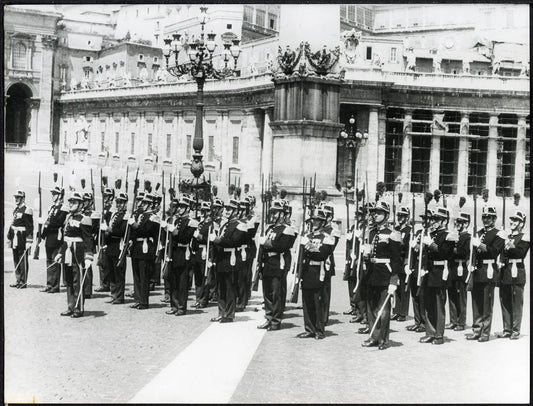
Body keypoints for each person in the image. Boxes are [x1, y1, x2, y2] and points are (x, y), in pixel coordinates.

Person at [360, 201, 401, 350]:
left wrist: (394, 280)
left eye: (379, 212)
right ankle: (374, 337)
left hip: (385, 274)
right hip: (372, 273)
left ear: (386, 215)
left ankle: (384, 339)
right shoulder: (371, 232)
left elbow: (397, 259)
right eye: (374, 212)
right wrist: (366, 253)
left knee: (383, 310)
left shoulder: (393, 234)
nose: (375, 214)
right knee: (371, 308)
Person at [466, 206, 505, 342]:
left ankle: (485, 332)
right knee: (476, 302)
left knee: (486, 303)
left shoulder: (499, 234)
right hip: (477, 270)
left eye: (489, 217)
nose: (486, 220)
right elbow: (472, 252)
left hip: (488, 270)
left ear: (494, 219)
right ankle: (477, 329)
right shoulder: (479, 232)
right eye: (484, 217)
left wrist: (479, 245)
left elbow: (494, 251)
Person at [256, 199, 296, 331]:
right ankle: (269, 317)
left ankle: (276, 320)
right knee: (267, 293)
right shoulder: (270, 228)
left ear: (283, 214)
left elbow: (282, 246)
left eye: (276, 213)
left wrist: (266, 243)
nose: (273, 215)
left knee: (276, 293)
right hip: (267, 262)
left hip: (278, 263)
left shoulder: (287, 229)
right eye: (272, 212)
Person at [54, 192, 94, 317]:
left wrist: (88, 256)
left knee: (77, 280)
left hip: (78, 252)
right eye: (70, 201)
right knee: (69, 280)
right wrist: (61, 253)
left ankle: (78, 308)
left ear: (81, 204)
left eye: (74, 202)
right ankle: (70, 306)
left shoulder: (84, 219)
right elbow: (65, 237)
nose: (71, 204)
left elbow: (88, 239)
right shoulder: (68, 217)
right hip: (67, 251)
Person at [298, 208, 336, 340]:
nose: (314, 222)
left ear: (322, 222)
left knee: (318, 302)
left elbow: (322, 254)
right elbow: (300, 256)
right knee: (307, 301)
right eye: (313, 220)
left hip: (318, 271)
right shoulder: (307, 236)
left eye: (317, 220)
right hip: (307, 271)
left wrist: (308, 246)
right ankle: (309, 328)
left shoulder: (327, 237)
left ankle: (319, 330)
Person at [419, 207, 454, 345]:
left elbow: (444, 253)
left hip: (440, 272)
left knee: (439, 305)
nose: (433, 222)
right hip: (430, 271)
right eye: (433, 219)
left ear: (444, 221)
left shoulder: (449, 235)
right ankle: (430, 332)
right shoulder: (432, 233)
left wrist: (431, 244)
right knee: (428, 304)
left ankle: (439, 335)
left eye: (437, 219)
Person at [211, 199, 248, 323]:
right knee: (221, 287)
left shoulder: (240, 225)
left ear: (236, 211)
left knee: (230, 287)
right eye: (226, 208)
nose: (226, 211)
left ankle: (229, 314)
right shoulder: (224, 224)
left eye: (230, 209)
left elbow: (234, 241)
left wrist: (217, 240)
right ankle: (221, 312)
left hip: (231, 258)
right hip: (222, 258)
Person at [496, 210, 530, 340]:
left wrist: (509, 244)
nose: (512, 222)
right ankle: (507, 329)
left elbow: (520, 253)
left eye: (515, 220)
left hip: (517, 271)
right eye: (512, 220)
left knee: (516, 302)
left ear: (521, 223)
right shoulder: (507, 236)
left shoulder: (524, 237)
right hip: (506, 271)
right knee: (505, 300)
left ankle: (515, 330)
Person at [165, 197, 198, 316]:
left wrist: (174, 232)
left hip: (183, 253)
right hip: (173, 252)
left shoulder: (191, 222)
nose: (179, 209)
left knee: (182, 282)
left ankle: (181, 307)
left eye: (182, 207)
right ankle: (174, 305)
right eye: (178, 207)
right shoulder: (175, 220)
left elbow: (185, 238)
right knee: (173, 280)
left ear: (187, 208)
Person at [128, 193, 159, 310]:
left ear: (150, 205)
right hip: (137, 247)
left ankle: (144, 301)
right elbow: (135, 232)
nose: (143, 205)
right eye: (143, 203)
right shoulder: (140, 216)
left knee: (144, 276)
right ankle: (137, 299)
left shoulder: (153, 217)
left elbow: (146, 231)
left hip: (146, 248)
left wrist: (134, 226)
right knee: (136, 276)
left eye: (146, 203)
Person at [39, 186, 68, 293]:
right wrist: (42, 233)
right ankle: (49, 284)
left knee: (55, 261)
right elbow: (49, 221)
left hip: (56, 237)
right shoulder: (52, 207)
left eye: (55, 194)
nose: (53, 196)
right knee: (48, 261)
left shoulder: (63, 208)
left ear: (60, 195)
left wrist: (47, 224)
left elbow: (59, 222)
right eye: (53, 194)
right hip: (49, 237)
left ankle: (55, 286)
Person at [101, 192, 128, 304]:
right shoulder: (114, 214)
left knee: (118, 273)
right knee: (111, 271)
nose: (119, 204)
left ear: (125, 203)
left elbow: (122, 231)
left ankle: (119, 296)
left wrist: (108, 230)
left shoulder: (125, 216)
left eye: (121, 202)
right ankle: (113, 294)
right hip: (111, 245)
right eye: (118, 202)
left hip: (118, 246)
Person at [446, 212, 471, 332]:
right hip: (453, 267)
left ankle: (461, 322)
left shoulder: (467, 237)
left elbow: (464, 252)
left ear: (466, 223)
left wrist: (453, 249)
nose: (458, 224)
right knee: (451, 295)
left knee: (461, 296)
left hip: (462, 267)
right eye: (457, 222)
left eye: (461, 222)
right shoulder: (454, 234)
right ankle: (453, 320)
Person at [8, 190, 34, 289]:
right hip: (15, 237)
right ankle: (18, 279)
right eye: (15, 197)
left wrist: (29, 240)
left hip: (22, 237)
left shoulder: (27, 210)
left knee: (22, 260)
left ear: (23, 198)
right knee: (16, 259)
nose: (16, 199)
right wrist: (9, 237)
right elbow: (13, 224)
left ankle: (23, 281)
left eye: (18, 197)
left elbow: (30, 227)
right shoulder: (16, 210)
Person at [319, 202, 340, 325]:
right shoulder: (318, 228)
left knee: (325, 292)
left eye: (325, 215)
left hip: (326, 262)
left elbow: (330, 248)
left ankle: (323, 317)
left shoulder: (333, 230)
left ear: (330, 217)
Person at [391, 206, 412, 322]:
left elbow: (407, 247)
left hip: (403, 261)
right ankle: (396, 311)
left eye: (402, 216)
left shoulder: (409, 230)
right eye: (399, 216)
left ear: (407, 217)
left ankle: (403, 313)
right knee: (396, 287)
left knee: (404, 288)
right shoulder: (396, 229)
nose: (400, 218)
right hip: (396, 261)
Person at [95, 187, 115, 293]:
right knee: (102, 260)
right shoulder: (105, 209)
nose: (105, 198)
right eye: (104, 196)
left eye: (107, 196)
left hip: (107, 237)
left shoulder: (111, 210)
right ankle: (103, 282)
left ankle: (106, 283)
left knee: (105, 262)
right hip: (101, 236)